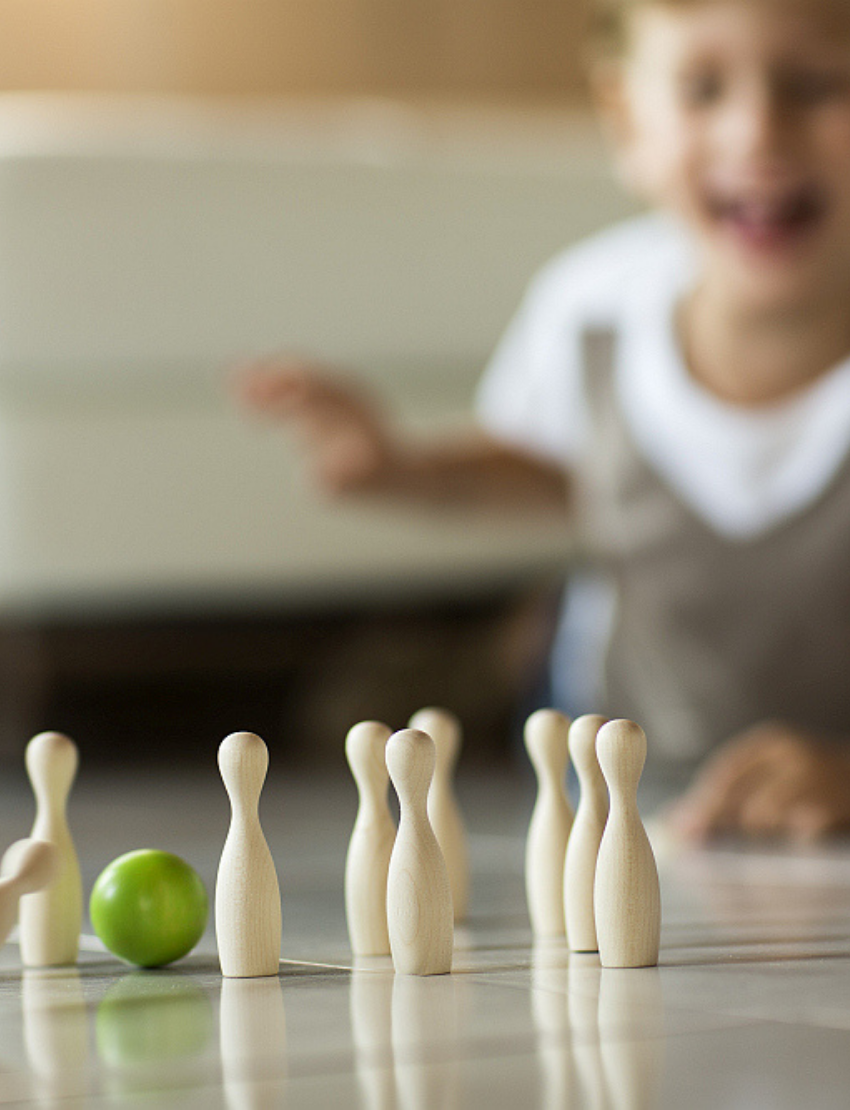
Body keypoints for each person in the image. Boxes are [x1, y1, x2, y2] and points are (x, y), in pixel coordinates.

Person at [235, 0, 850, 842]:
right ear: (627, 120)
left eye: (819, 83)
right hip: (622, 790)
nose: (757, 131)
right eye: (702, 88)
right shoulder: (592, 305)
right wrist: (407, 470)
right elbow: (550, 472)